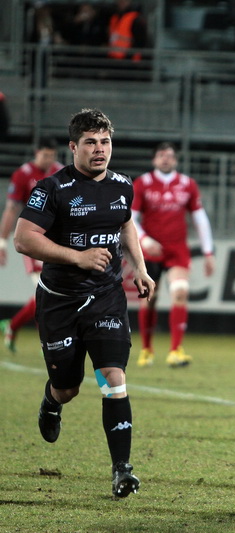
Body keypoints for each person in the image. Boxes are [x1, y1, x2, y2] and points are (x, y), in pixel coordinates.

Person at [13, 108, 155, 498]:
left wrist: (139, 268)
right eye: (91, 142)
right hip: (59, 302)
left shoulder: (123, 185)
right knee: (68, 387)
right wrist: (77, 256)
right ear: (73, 146)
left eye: (105, 142)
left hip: (107, 299)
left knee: (114, 378)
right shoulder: (51, 188)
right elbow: (23, 239)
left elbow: (126, 223)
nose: (100, 150)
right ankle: (51, 400)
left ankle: (122, 471)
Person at [131, 142, 215, 368]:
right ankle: (147, 349)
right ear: (154, 160)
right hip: (149, 252)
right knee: (149, 300)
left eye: (169, 156)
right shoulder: (143, 183)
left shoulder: (187, 184)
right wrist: (145, 240)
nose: (165, 159)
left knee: (180, 293)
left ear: (176, 160)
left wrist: (208, 252)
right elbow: (130, 217)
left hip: (177, 251)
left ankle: (175, 350)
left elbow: (200, 218)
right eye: (161, 155)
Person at [0, 138, 63, 352]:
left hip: (56, 240)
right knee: (44, 291)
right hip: (34, 239)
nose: (48, 160)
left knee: (48, 292)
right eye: (45, 155)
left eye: (52, 156)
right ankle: (49, 341)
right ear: (36, 153)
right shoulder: (23, 174)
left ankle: (14, 325)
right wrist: (2, 241)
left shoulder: (60, 172)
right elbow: (11, 209)